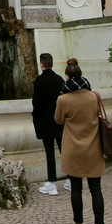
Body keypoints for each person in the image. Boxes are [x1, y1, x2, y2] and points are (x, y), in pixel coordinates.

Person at [54, 63, 107, 224]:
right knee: (96, 190)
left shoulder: (63, 99)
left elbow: (58, 120)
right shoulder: (94, 97)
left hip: (73, 150)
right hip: (93, 149)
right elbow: (98, 116)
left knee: (76, 190)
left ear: (68, 77)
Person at [31, 53, 65, 196]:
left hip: (45, 121)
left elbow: (36, 103)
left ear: (41, 64)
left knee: (49, 153)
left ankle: (52, 183)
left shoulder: (39, 80)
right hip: (59, 121)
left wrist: (35, 115)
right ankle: (71, 179)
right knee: (65, 150)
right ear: (52, 63)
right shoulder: (59, 79)